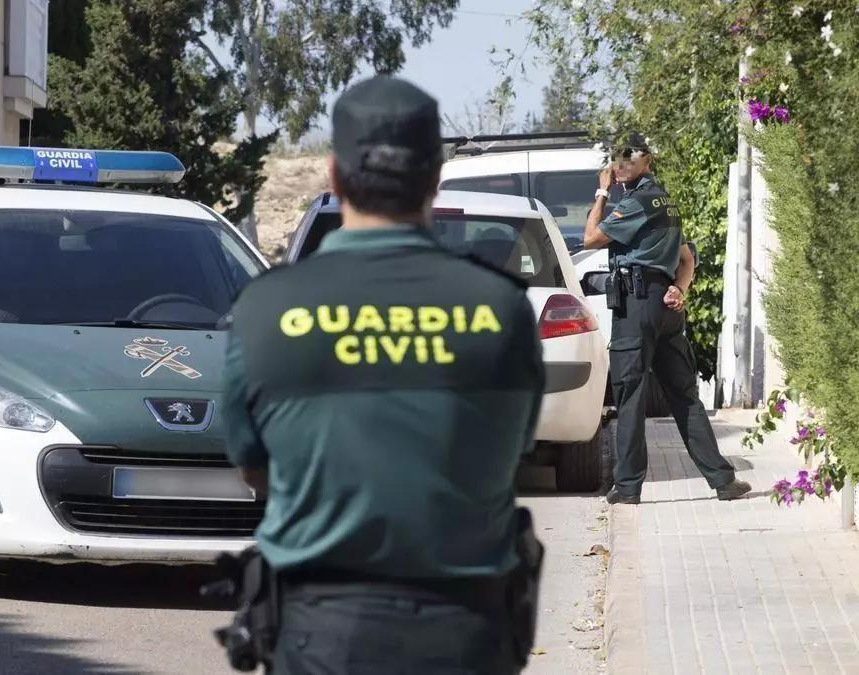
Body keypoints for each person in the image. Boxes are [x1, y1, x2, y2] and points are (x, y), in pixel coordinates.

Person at [222, 75, 545, 674]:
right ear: (436, 176)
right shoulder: (502, 308)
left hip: (321, 634)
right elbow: (511, 451)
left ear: (334, 175)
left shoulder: (266, 309)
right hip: (466, 632)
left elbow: (252, 465)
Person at [582, 133, 751, 504]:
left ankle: (628, 488)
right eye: (617, 159)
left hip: (637, 307)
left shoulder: (635, 202)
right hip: (665, 307)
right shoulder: (665, 201)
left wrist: (601, 192)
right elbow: (687, 258)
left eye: (629, 158)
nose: (621, 165)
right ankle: (723, 481)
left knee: (630, 395)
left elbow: (590, 238)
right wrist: (679, 289)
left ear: (647, 161)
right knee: (684, 396)